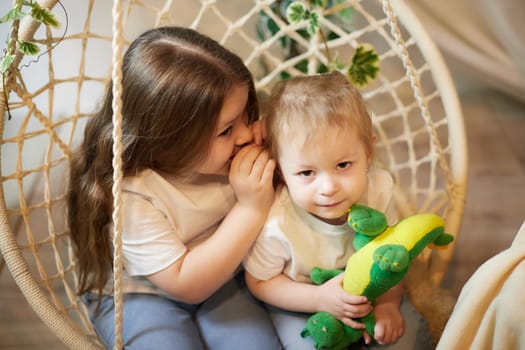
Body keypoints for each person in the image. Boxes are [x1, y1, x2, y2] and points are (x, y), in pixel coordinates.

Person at [67, 26, 282, 349]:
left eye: (245, 114)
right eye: (225, 130)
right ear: (163, 145)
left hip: (227, 275)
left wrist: (283, 142)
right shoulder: (132, 194)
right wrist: (252, 207)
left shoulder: (241, 147)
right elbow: (187, 283)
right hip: (142, 293)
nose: (244, 135)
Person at [243, 71, 433, 349]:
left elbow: (392, 253)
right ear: (281, 171)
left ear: (369, 152)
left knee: (409, 338)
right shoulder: (278, 220)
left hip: (370, 291)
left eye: (343, 165)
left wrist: (389, 305)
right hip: (302, 299)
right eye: (307, 172)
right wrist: (318, 299)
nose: (328, 187)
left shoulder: (379, 190)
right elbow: (261, 281)